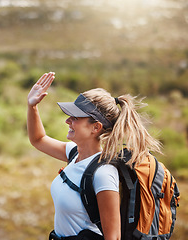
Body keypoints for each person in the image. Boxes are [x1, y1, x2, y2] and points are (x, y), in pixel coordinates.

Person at [27, 72, 161, 240]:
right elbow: (38, 139)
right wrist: (32, 106)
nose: (67, 120)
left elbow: (113, 237)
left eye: (75, 117)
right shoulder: (74, 152)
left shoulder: (103, 174)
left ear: (96, 127)